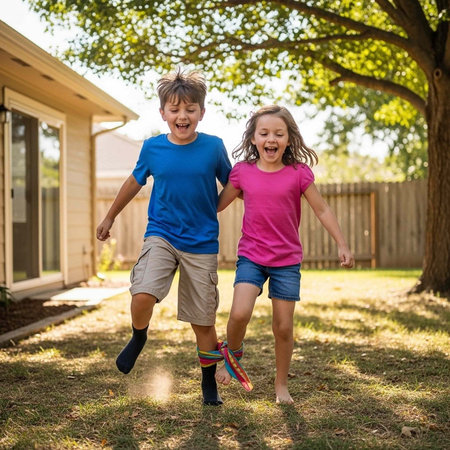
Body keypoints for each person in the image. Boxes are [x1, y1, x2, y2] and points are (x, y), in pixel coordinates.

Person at [96, 69, 232, 406]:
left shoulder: (214, 147)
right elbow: (133, 182)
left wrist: (214, 207)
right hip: (162, 234)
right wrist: (110, 215)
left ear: (202, 112)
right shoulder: (153, 148)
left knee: (203, 319)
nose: (182, 116)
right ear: (163, 114)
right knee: (142, 294)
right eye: (174, 110)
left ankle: (207, 382)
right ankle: (138, 336)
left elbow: (235, 183)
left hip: (201, 243)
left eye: (190, 109)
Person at [215, 105, 354, 404]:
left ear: (289, 140)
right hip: (251, 256)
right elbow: (216, 205)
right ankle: (232, 355)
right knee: (239, 313)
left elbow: (322, 209)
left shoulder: (298, 173)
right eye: (264, 133)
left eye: (279, 134)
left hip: (287, 261)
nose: (271, 139)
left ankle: (281, 385)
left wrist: (342, 243)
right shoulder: (242, 173)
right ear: (253, 138)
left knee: (284, 327)